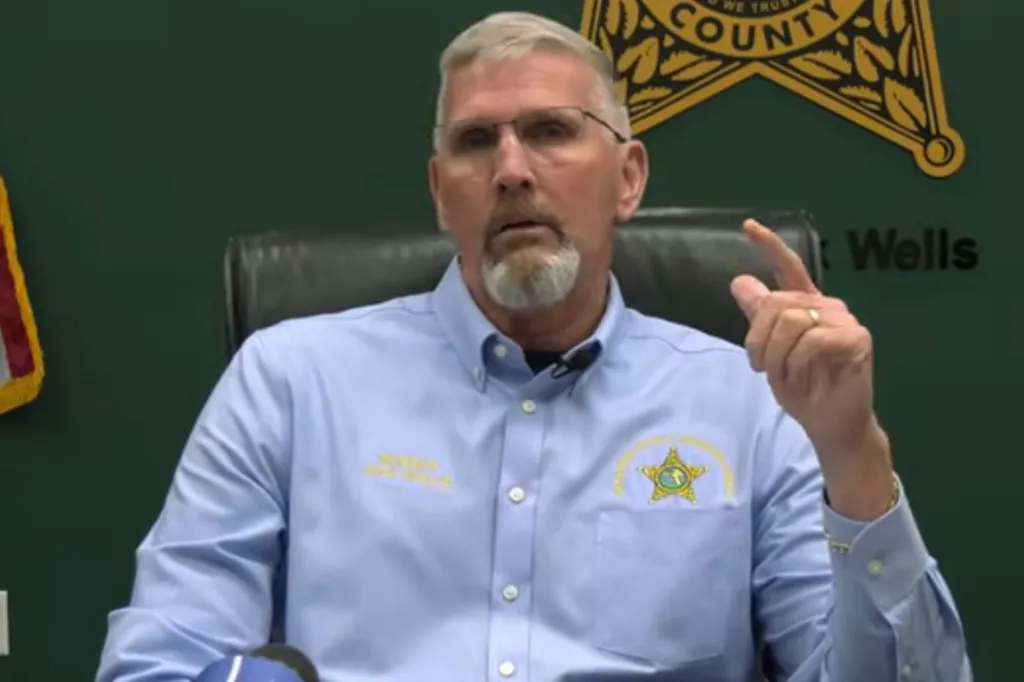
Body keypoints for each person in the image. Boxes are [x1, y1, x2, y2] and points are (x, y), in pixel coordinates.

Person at [95, 11, 971, 682]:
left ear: (628, 177)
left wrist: (852, 456)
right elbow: (161, 657)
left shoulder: (750, 405)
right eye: (477, 141)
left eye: (550, 131)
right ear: (445, 195)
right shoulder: (288, 381)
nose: (511, 168)